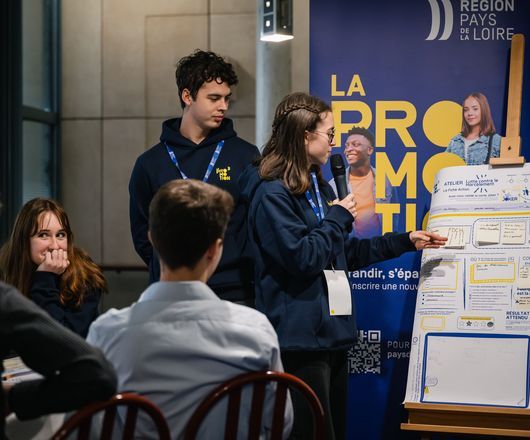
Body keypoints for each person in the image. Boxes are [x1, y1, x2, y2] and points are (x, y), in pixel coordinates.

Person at [240, 92, 446, 440]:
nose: (335, 142)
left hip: (331, 336)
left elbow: (344, 253)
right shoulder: (272, 194)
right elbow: (303, 258)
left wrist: (405, 240)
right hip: (299, 341)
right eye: (330, 134)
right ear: (305, 135)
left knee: (333, 429)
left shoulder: (315, 186)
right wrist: (336, 218)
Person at [88, 179, 291, 439]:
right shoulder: (255, 332)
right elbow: (279, 425)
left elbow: (93, 426)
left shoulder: (107, 333)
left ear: (152, 239)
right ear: (215, 250)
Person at [129, 49, 260, 305]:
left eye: (226, 98)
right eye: (214, 98)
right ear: (187, 96)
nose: (223, 106)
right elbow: (143, 234)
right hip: (171, 292)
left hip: (235, 291)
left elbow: (255, 223)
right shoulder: (150, 163)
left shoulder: (245, 155)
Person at [1, 282, 117, 439]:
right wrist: (13, 398)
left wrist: (45, 281)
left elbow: (63, 335)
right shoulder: (6, 295)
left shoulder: (83, 283)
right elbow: (98, 374)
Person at [0, 198, 107, 338]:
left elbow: (61, 340)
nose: (55, 246)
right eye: (43, 235)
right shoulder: (5, 267)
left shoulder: (84, 276)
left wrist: (45, 278)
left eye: (60, 235)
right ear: (24, 240)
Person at [328, 126, 399, 237]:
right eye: (346, 146)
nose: (348, 149)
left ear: (370, 150)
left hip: (380, 245)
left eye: (355, 144)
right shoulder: (333, 185)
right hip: (351, 246)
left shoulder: (385, 180)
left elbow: (394, 217)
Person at [445, 92, 501, 165]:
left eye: (475, 109)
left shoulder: (496, 140)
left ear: (484, 110)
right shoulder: (455, 141)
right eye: (466, 110)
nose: (470, 113)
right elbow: (445, 167)